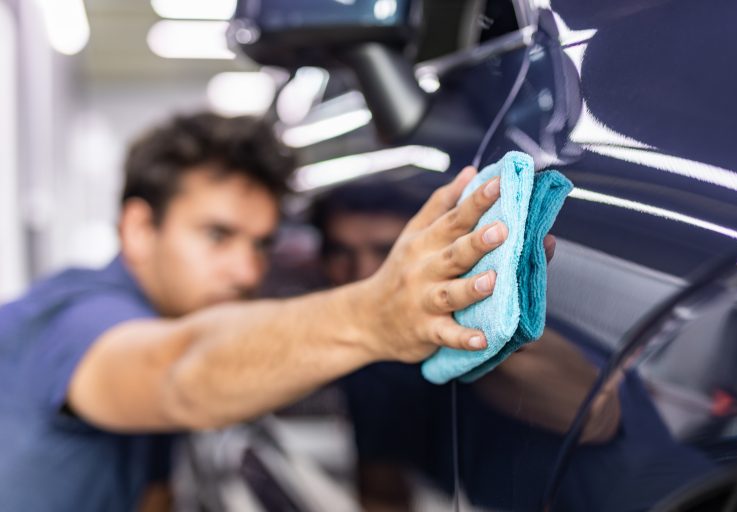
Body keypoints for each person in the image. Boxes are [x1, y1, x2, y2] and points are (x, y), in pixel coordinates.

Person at [0, 112, 514, 512]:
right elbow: (177, 372)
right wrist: (372, 317)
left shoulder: (166, 312)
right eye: (217, 235)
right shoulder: (73, 321)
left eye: (260, 244)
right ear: (139, 228)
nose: (246, 271)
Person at [311, 176, 622, 511]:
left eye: (386, 251)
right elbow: (382, 486)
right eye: (340, 252)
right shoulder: (374, 358)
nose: (364, 271)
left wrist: (498, 328)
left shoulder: (472, 330)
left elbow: (598, 418)